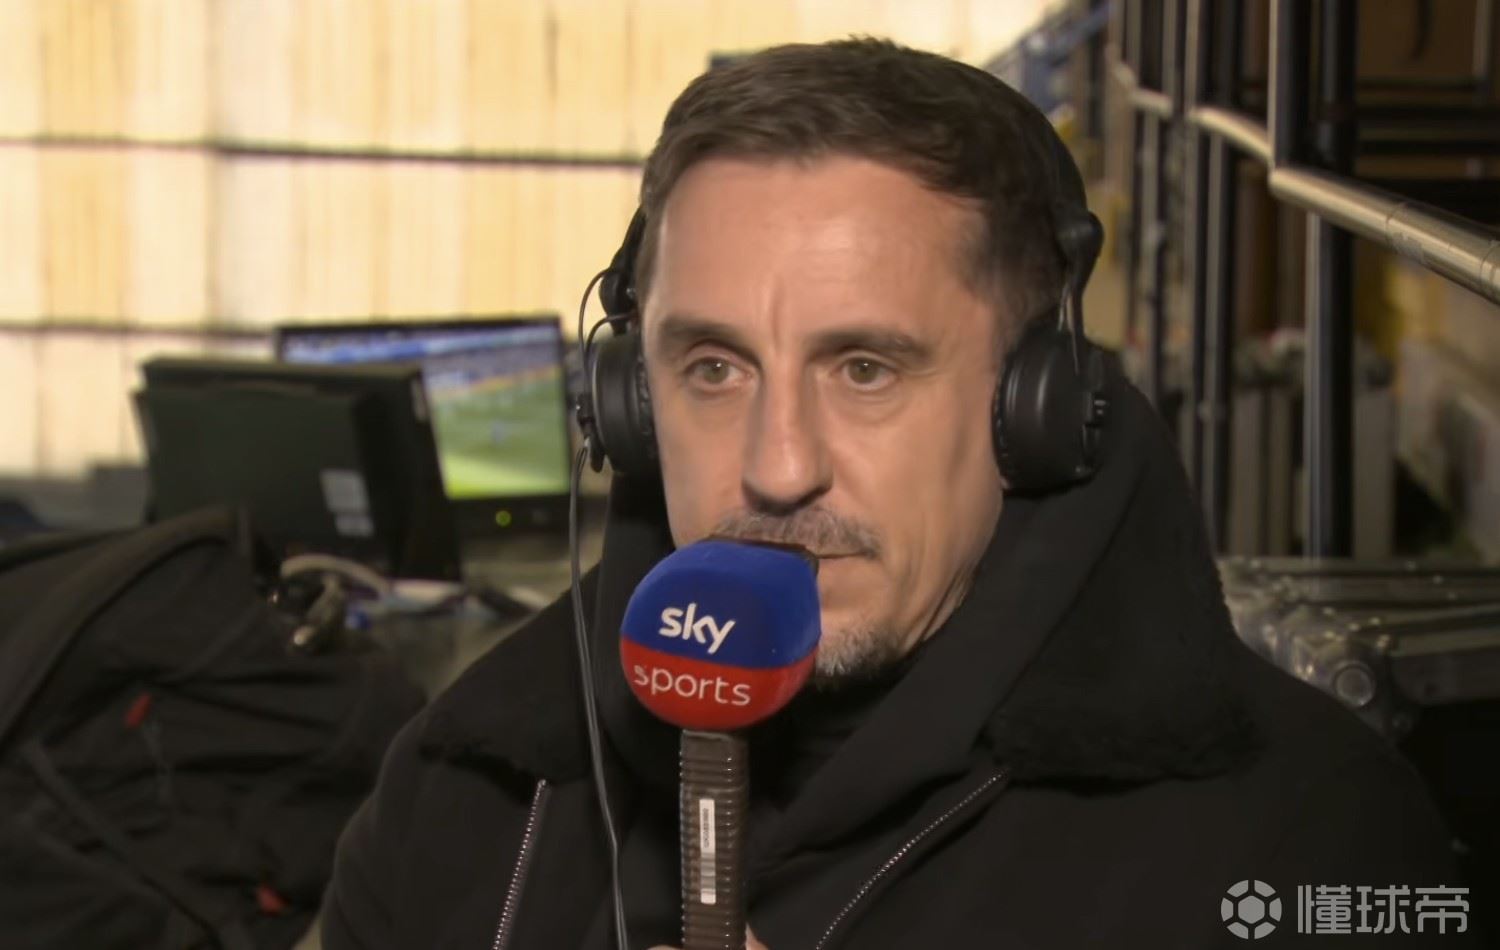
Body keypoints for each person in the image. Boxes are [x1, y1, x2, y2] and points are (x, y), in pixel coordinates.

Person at [321, 39, 1476, 949]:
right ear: (626, 402)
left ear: (1035, 406)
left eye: (866, 368)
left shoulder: (1308, 842)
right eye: (713, 367)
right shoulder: (470, 781)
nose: (778, 467)